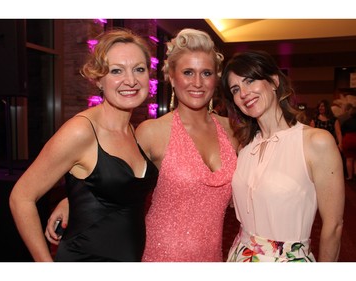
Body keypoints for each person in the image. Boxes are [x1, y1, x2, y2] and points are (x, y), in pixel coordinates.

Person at [46, 28, 239, 262]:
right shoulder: (151, 131)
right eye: (188, 72)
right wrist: (74, 202)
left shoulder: (233, 131)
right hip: (159, 256)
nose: (197, 82)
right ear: (171, 76)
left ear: (216, 78)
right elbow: (115, 175)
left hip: (211, 257)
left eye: (206, 73)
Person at [9, 28, 159, 262]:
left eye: (139, 69)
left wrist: (73, 200)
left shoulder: (132, 130)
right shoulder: (81, 131)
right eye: (116, 71)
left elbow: (112, 189)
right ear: (99, 79)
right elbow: (21, 197)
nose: (131, 80)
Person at [221, 50, 345, 262]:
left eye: (250, 80)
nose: (243, 92)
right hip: (239, 256)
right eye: (235, 89)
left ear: (274, 81)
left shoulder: (316, 142)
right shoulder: (245, 148)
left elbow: (333, 227)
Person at [341, 105, 356, 180]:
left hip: (348, 139)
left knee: (349, 159)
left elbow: (342, 132)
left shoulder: (346, 122)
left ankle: (350, 176)